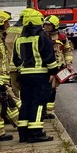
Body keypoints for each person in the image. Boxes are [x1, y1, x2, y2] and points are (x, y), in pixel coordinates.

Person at [14, 10, 60, 143]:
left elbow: (16, 60)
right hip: (40, 76)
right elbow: (49, 57)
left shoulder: (20, 39)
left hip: (24, 76)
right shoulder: (42, 37)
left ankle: (23, 134)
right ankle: (36, 133)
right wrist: (53, 71)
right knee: (38, 104)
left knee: (26, 104)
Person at [0, 10, 20, 141]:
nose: (8, 24)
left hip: (0, 78)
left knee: (6, 102)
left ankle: (20, 124)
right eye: (5, 22)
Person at [43, 17, 74, 118]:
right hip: (43, 67)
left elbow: (67, 51)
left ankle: (49, 111)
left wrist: (68, 62)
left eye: (49, 25)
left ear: (55, 26)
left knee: (52, 89)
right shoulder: (41, 36)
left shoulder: (62, 37)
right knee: (43, 89)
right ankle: (42, 110)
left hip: (57, 67)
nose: (46, 27)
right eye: (45, 25)